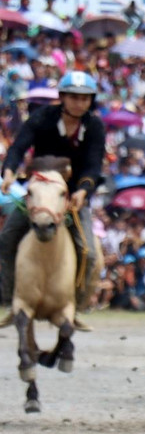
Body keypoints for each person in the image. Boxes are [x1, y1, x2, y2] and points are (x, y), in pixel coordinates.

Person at [0, 71, 105, 331]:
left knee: (89, 253)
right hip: (39, 195)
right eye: (73, 97)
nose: (79, 103)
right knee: (7, 239)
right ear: (62, 97)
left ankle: (76, 306)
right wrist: (10, 170)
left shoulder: (94, 126)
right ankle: (10, 301)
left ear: (91, 101)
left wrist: (83, 191)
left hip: (72, 198)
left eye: (85, 98)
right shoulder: (43, 117)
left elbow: (93, 165)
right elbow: (18, 147)